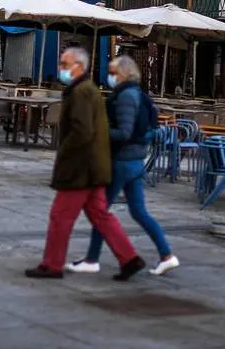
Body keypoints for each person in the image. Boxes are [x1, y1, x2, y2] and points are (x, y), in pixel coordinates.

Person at [26, 47, 146, 280]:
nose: (60, 68)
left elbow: (82, 132)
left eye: (64, 64)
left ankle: (52, 265)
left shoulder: (81, 92)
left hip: (81, 168)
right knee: (101, 215)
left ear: (79, 66)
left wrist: (64, 155)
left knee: (60, 216)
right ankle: (129, 258)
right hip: (95, 166)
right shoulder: (87, 89)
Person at [68, 55, 180, 276]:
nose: (109, 76)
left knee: (100, 212)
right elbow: (145, 130)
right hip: (135, 162)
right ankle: (166, 255)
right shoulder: (137, 93)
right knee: (138, 212)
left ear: (124, 73)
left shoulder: (126, 96)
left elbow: (125, 132)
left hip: (122, 162)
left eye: (113, 72)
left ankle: (92, 259)